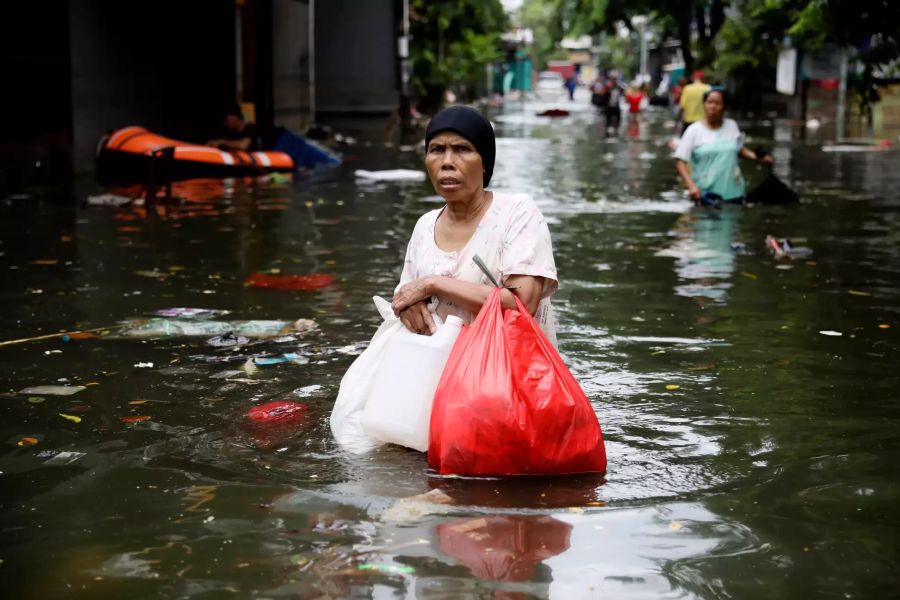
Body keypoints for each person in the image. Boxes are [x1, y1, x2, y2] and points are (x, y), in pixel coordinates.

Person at [391, 105, 559, 346]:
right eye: (436, 150)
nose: (447, 162)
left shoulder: (517, 213)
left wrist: (433, 283)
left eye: (462, 149)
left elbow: (522, 305)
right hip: (444, 374)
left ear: (484, 163)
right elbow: (406, 295)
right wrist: (408, 307)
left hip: (509, 373)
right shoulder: (425, 226)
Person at [674, 88, 773, 205]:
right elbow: (680, 161)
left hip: (734, 193)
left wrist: (758, 157)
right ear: (704, 105)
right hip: (705, 195)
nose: (712, 107)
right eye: (709, 102)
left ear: (725, 107)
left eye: (717, 103)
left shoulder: (731, 126)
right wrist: (691, 186)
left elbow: (738, 149)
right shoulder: (694, 130)